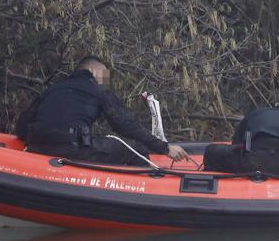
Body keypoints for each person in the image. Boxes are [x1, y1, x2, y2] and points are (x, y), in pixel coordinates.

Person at [15, 56, 188, 165]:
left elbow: (22, 128)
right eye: (105, 75)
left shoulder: (53, 89)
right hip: (72, 148)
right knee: (136, 149)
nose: (106, 81)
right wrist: (164, 148)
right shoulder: (98, 91)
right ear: (94, 70)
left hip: (37, 147)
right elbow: (126, 125)